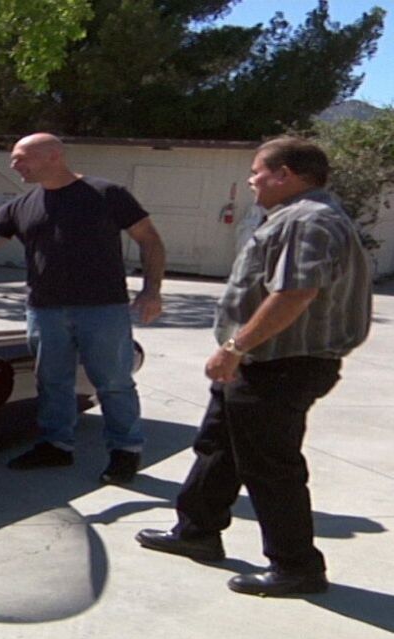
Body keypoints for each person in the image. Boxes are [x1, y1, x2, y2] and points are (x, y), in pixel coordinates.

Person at [135, 137, 372, 596]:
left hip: (281, 363)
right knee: (218, 446)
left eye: (257, 171)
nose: (251, 181)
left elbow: (295, 293)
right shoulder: (297, 216)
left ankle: (297, 567)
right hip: (262, 360)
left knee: (270, 466)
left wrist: (234, 346)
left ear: (285, 174)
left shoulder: (308, 220)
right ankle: (197, 531)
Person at [0, 133, 165, 484]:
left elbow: (149, 239)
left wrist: (152, 290)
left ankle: (125, 451)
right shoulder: (21, 206)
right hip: (45, 310)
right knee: (52, 382)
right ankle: (56, 446)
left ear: (54, 155)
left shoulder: (106, 193)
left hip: (102, 309)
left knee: (113, 382)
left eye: (21, 157)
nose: (14, 165)